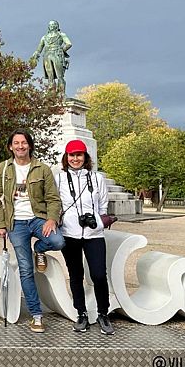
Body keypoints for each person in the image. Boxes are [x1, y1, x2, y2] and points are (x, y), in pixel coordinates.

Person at [0, 129, 64, 333]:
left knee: (58, 241)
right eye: (16, 143)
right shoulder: (2, 169)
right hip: (16, 224)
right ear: (10, 147)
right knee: (25, 268)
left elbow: (53, 197)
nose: (20, 146)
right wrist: (0, 224)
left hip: (38, 218)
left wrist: (51, 219)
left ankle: (39, 250)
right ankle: (37, 315)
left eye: (24, 142)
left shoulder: (42, 169)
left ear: (30, 145)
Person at [55, 140, 115, 335]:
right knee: (75, 275)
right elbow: (55, 204)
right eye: (71, 155)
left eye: (79, 155)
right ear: (66, 157)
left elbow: (103, 205)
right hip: (69, 233)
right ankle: (81, 313)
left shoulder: (97, 178)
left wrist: (96, 220)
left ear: (85, 157)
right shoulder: (59, 179)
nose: (75, 159)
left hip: (94, 234)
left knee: (98, 274)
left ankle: (103, 313)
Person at [29, 20, 72, 94]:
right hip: (47, 55)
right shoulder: (44, 37)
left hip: (57, 55)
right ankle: (52, 94)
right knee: (50, 77)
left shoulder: (61, 35)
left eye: (54, 24)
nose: (52, 26)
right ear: (48, 27)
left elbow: (68, 44)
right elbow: (39, 49)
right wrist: (35, 54)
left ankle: (61, 94)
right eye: (50, 25)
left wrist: (62, 50)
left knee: (60, 76)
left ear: (57, 26)